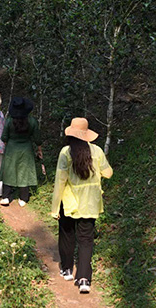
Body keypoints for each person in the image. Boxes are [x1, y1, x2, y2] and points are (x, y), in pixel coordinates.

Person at [51, 117, 113, 294]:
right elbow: (108, 173)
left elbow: (60, 180)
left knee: (67, 234)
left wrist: (55, 208)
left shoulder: (65, 152)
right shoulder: (97, 151)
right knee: (86, 240)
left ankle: (67, 269)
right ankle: (84, 279)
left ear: (71, 134)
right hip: (90, 203)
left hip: (69, 202)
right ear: (87, 135)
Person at [0, 97, 43, 207]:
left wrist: (7, 146)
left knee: (9, 170)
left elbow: (4, 137)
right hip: (26, 149)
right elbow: (37, 138)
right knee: (24, 171)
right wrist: (39, 150)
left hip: (11, 148)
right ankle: (23, 198)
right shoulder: (32, 121)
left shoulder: (9, 120)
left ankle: (6, 197)